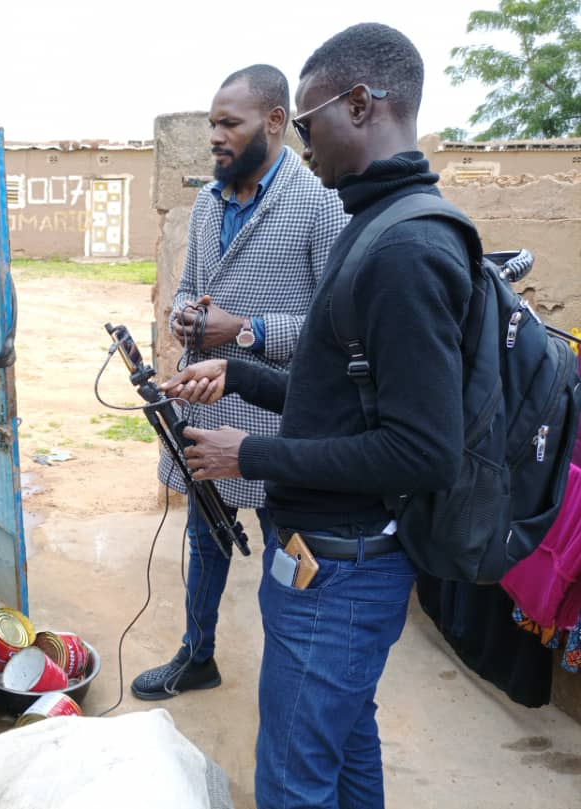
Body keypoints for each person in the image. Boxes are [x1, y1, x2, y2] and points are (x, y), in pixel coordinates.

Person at [161, 24, 472, 809]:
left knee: (295, 780)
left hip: (341, 567)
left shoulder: (400, 247)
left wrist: (252, 455)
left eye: (307, 121)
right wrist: (235, 372)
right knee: (342, 741)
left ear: (361, 105)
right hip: (329, 557)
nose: (304, 142)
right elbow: (341, 392)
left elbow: (422, 451)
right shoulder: (376, 221)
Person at [132, 64, 346, 700]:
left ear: (275, 123)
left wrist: (247, 331)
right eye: (211, 125)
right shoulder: (207, 201)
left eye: (230, 123)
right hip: (206, 406)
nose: (216, 137)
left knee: (289, 551)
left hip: (281, 419)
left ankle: (296, 677)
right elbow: (192, 292)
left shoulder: (319, 204)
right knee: (205, 537)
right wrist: (185, 317)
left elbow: (338, 335)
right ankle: (198, 655)